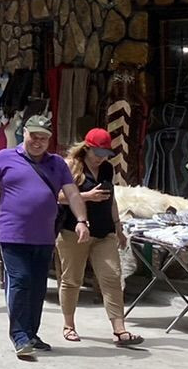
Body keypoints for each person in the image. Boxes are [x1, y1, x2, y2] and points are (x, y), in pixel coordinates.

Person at [0, 113, 86, 361]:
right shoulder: (5, 157)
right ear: (25, 133)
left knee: (37, 287)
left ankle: (32, 334)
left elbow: (73, 194)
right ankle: (19, 336)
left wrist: (82, 221)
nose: (38, 142)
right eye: (35, 136)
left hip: (44, 236)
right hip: (13, 234)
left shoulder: (57, 164)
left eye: (44, 138)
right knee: (21, 281)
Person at [58, 128, 138, 346]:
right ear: (87, 148)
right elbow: (58, 196)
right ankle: (69, 325)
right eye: (97, 153)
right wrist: (86, 196)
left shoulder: (107, 169)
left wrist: (118, 226)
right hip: (73, 231)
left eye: (105, 154)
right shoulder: (69, 166)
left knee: (112, 277)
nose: (101, 158)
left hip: (104, 231)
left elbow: (111, 198)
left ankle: (119, 330)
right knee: (72, 279)